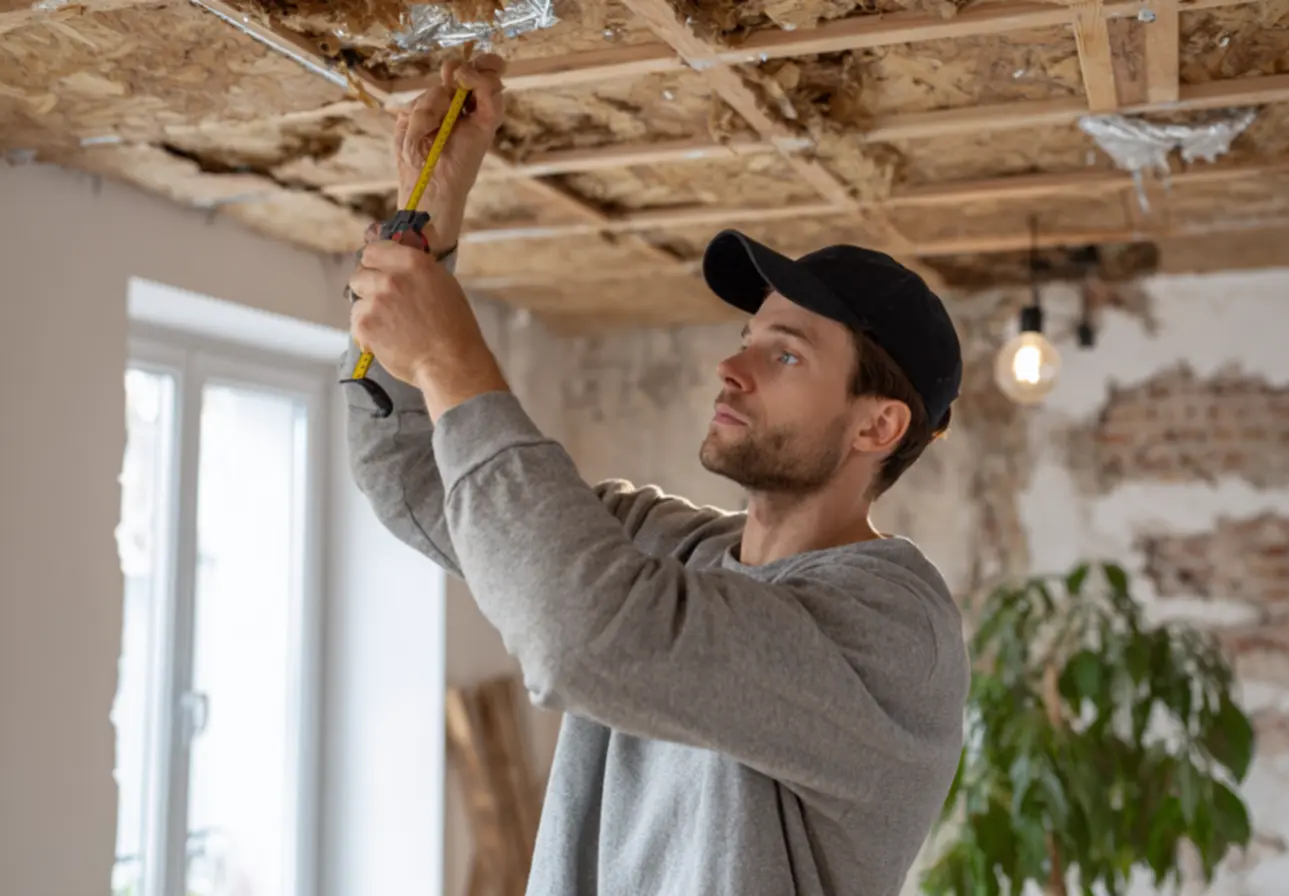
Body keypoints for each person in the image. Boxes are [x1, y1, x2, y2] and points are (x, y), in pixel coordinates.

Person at [340, 52, 970, 896]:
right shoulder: (668, 548)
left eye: (784, 354)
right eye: (748, 336)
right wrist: (433, 225)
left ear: (878, 424)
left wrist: (454, 355)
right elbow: (417, 480)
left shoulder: (893, 632)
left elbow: (585, 636)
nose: (733, 367)